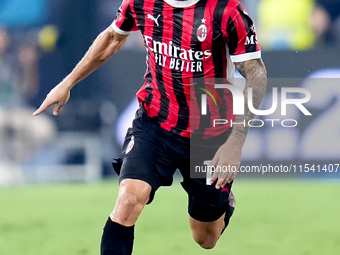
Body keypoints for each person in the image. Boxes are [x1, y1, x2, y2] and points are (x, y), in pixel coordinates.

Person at [33, 0, 267, 254]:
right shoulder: (140, 3)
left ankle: (224, 207)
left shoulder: (226, 11)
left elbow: (256, 75)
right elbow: (113, 37)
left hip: (208, 136)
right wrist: (67, 83)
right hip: (154, 123)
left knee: (205, 238)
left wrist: (235, 141)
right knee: (128, 200)